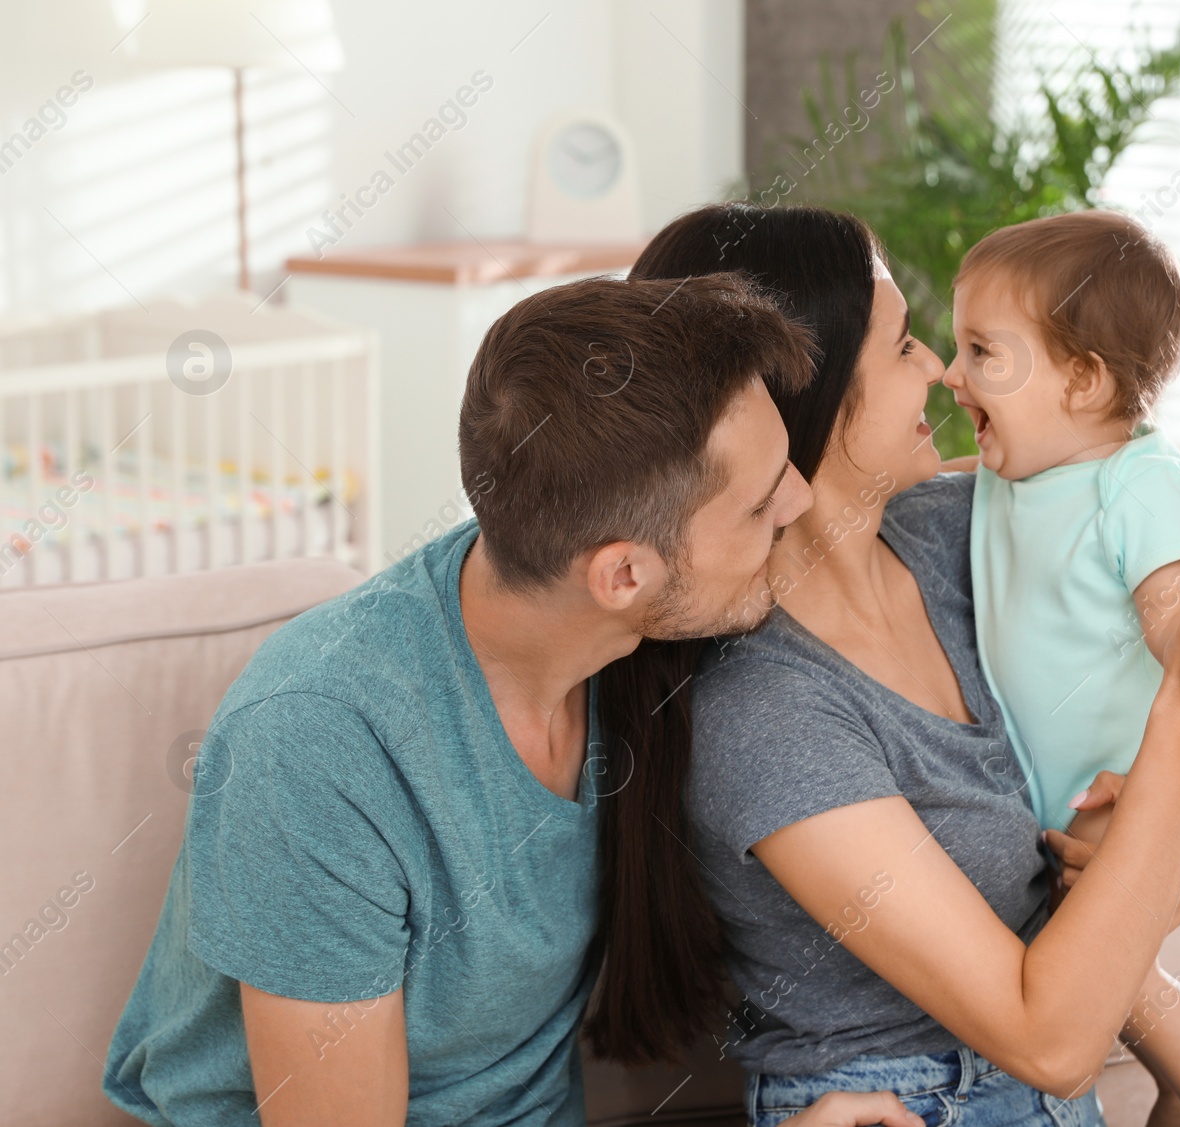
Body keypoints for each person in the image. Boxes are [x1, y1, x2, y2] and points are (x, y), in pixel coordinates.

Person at [101, 274, 914, 1127]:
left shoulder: (617, 640)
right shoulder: (319, 745)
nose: (801, 498)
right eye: (759, 502)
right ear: (623, 573)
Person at [587, 203, 1180, 1127]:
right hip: (894, 1107)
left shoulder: (968, 530)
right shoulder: (764, 708)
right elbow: (1050, 1041)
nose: (939, 367)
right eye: (903, 347)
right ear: (802, 401)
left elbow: (1131, 515)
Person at [944, 210, 1180, 1126]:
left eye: (982, 351)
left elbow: (1175, 618)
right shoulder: (1009, 469)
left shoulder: (1137, 481)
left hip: (1140, 808)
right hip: (1071, 818)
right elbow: (913, 483)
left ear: (1084, 379)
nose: (951, 375)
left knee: (1121, 981)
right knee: (1118, 983)